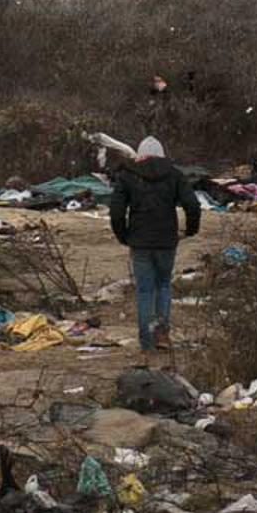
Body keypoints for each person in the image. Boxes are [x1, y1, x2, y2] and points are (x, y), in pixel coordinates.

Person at [105, 135, 201, 353]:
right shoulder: (174, 175)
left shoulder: (128, 176)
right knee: (164, 286)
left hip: (139, 241)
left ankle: (146, 342)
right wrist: (191, 230)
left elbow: (116, 211)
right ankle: (162, 335)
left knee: (145, 290)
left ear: (139, 154)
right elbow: (192, 205)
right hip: (167, 240)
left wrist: (123, 235)